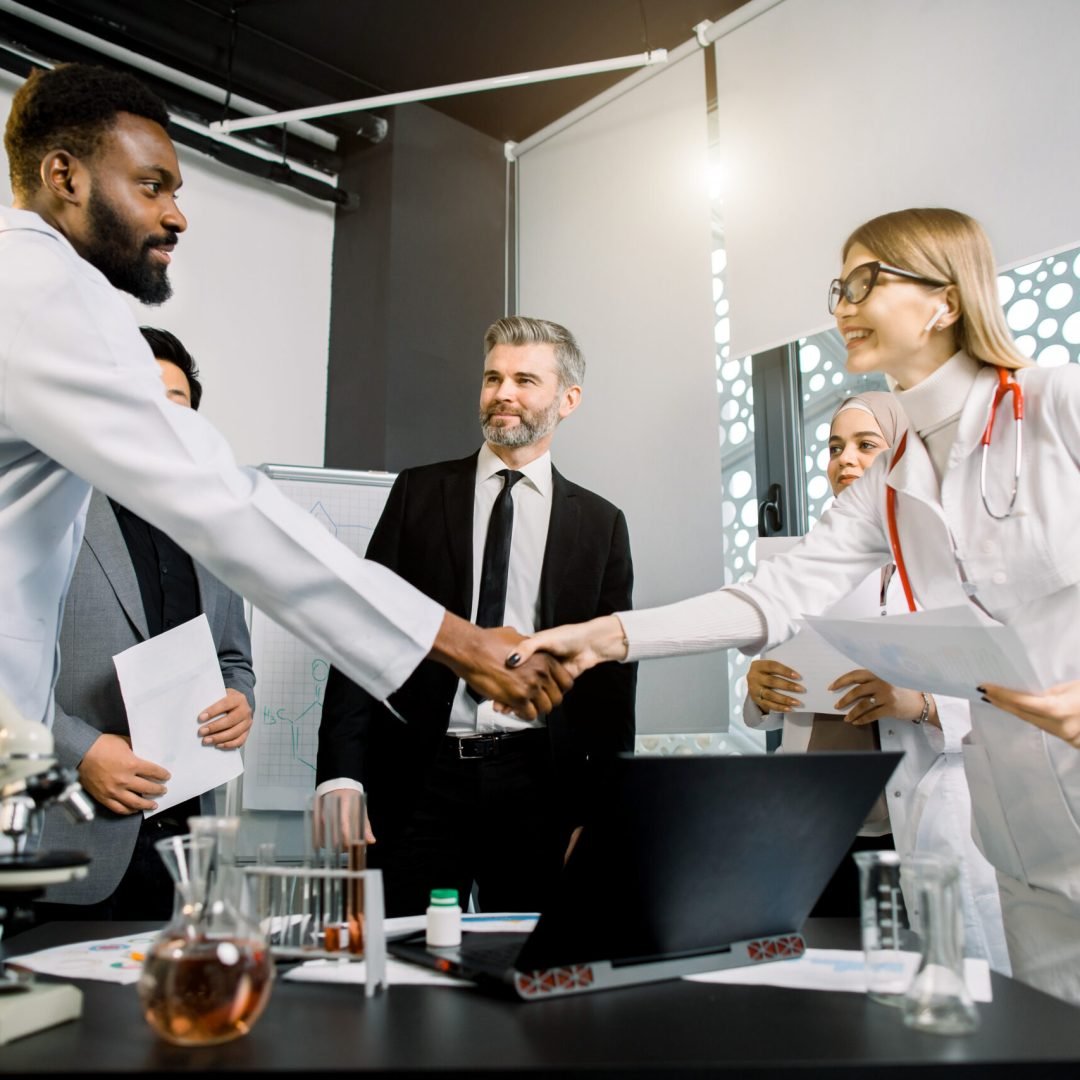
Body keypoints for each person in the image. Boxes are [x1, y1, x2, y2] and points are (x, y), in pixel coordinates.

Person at [513, 207, 1080, 1005]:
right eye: (836, 287)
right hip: (1018, 845)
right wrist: (607, 637)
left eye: (864, 282)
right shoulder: (894, 478)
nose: (841, 305)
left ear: (945, 301)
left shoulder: (1058, 405)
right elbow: (772, 595)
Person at [0, 63, 569, 753]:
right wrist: (463, 642)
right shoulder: (46, 291)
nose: (175, 216)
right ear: (65, 178)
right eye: (152, 186)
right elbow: (220, 502)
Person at [315, 316, 636, 916]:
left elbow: (613, 687)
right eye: (492, 378)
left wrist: (602, 811)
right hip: (417, 778)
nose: (502, 394)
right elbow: (360, 629)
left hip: (540, 786)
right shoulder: (417, 493)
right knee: (405, 974)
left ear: (568, 399)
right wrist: (341, 775)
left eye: (523, 379)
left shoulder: (600, 525)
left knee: (527, 976)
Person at [744, 390, 1007, 969]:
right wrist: (755, 689)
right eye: (835, 447)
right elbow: (770, 695)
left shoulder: (953, 559)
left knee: (923, 973)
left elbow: (1003, 690)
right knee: (818, 981)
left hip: (910, 814)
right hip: (815, 822)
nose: (845, 460)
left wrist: (917, 703)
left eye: (867, 445)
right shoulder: (798, 566)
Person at [34, 328, 253, 921]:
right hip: (67, 835)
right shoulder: (46, 504)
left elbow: (234, 658)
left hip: (184, 843)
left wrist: (240, 699)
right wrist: (79, 751)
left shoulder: (211, 527)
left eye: (176, 401)